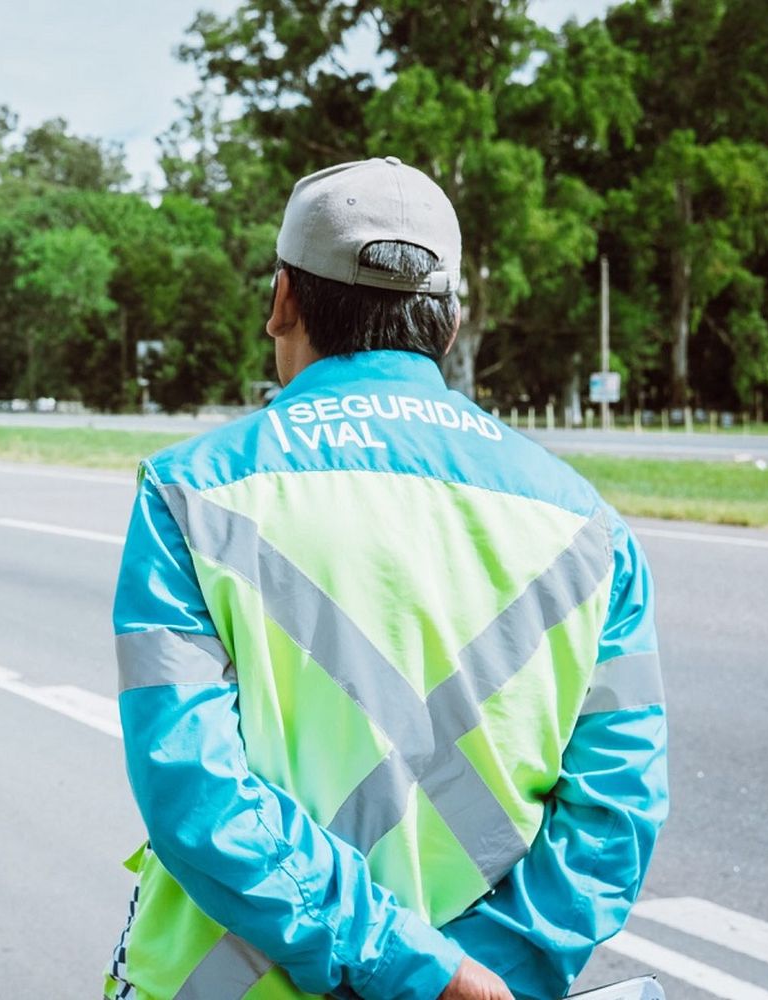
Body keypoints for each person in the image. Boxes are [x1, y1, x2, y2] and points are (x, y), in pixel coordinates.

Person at [106, 158, 668, 1000]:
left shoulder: (189, 494)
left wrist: (411, 969)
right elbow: (614, 818)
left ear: (283, 302)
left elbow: (191, 786)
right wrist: (474, 976)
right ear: (448, 325)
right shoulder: (590, 530)